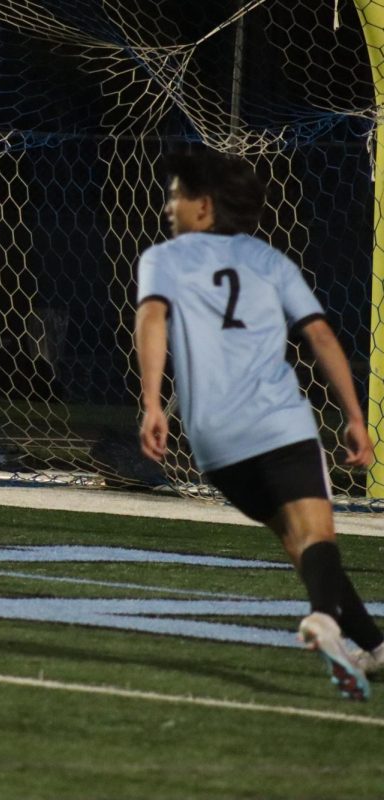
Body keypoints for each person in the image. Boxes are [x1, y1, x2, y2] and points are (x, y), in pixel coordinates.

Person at [135, 149, 383, 702]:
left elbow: (152, 317)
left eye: (176, 194)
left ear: (203, 206)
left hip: (214, 444)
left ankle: (371, 642)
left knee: (299, 544)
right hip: (279, 426)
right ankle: (323, 619)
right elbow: (319, 335)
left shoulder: (163, 258)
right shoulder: (271, 262)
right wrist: (355, 416)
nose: (168, 204)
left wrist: (153, 403)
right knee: (317, 537)